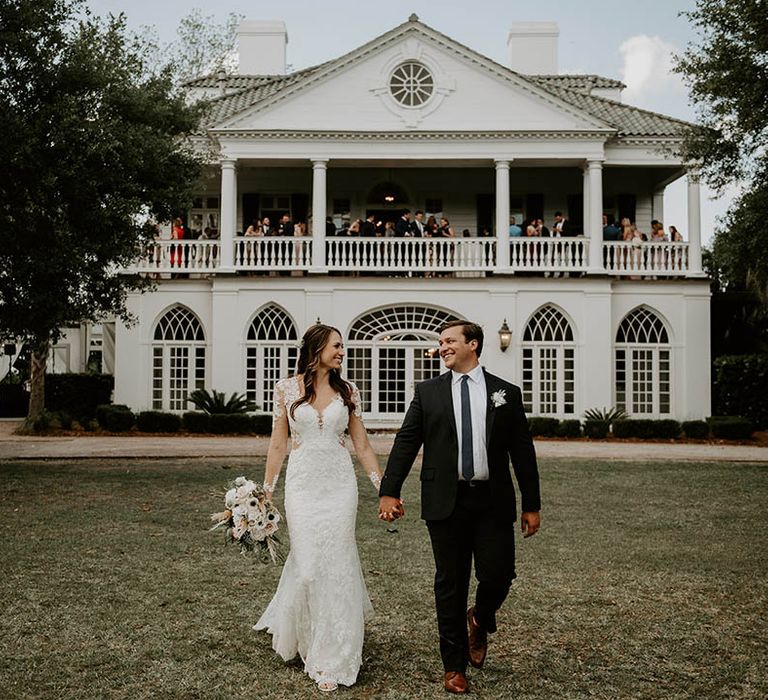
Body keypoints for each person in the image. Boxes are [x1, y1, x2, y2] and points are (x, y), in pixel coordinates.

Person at [378, 320, 541, 695]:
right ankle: (454, 666)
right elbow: (406, 441)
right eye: (441, 342)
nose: (443, 347)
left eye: (450, 341)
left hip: (492, 500)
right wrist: (390, 490)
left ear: (473, 344)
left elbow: (523, 452)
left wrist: (532, 504)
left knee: (499, 574)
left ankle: (480, 619)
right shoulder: (428, 392)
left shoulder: (506, 393)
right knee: (450, 584)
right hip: (445, 500)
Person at [255, 324, 385, 693]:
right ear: (316, 349)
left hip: (340, 486)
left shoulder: (348, 391)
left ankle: (332, 654)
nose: (342, 351)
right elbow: (278, 445)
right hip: (302, 486)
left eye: (342, 346)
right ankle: (303, 634)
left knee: (338, 564)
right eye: (337, 346)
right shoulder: (286, 389)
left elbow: (361, 446)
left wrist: (383, 488)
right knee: (309, 565)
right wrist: (267, 492)